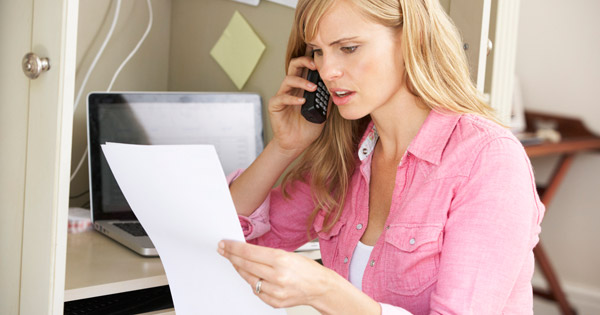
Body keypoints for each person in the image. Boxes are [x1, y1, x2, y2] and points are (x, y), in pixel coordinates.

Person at [217, 0, 545, 314]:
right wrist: (284, 147)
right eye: (318, 51)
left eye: (348, 48)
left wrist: (325, 291)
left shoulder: (489, 161)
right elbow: (230, 238)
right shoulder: (345, 159)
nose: (328, 71)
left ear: (410, 39)